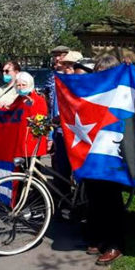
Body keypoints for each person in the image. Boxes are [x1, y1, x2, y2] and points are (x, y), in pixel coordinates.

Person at [83, 54, 128, 265]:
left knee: (111, 198)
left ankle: (114, 243)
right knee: (93, 195)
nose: (100, 76)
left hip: (112, 150)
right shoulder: (92, 92)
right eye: (97, 72)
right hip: (93, 150)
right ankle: (97, 235)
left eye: (104, 73)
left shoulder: (121, 93)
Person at [44, 46, 83, 194]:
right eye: (65, 65)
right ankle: (62, 200)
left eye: (70, 65)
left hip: (78, 131)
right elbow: (51, 102)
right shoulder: (55, 78)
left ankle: (79, 199)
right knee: (60, 167)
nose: (66, 68)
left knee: (78, 170)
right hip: (60, 129)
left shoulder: (81, 83)